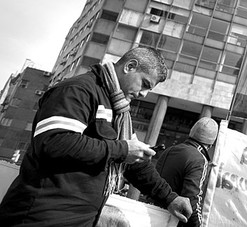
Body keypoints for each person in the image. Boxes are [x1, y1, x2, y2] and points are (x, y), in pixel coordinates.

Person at [0, 46, 192, 226]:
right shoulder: (78, 90)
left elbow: (136, 165)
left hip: (78, 219)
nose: (144, 94)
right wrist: (123, 149)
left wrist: (170, 198)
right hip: (41, 217)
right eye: (145, 84)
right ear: (130, 66)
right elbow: (55, 142)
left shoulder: (119, 110)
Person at [155, 117, 218, 227]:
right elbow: (192, 201)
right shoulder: (199, 159)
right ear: (211, 144)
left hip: (153, 212)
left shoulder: (170, 150)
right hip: (174, 221)